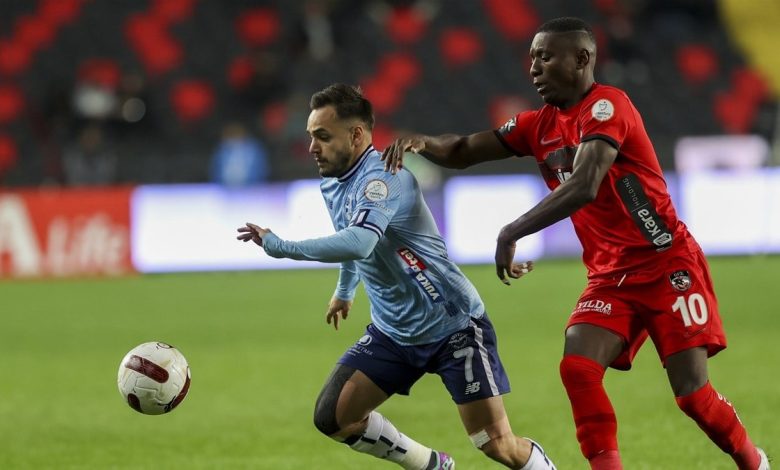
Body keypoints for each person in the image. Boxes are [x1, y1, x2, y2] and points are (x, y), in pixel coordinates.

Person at [380, 17, 769, 470]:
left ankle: (753, 462)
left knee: (692, 396)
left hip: (666, 263)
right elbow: (465, 149)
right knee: (578, 368)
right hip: (611, 277)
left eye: (545, 57)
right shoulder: (538, 125)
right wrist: (425, 142)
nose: (534, 68)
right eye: (532, 58)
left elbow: (585, 183)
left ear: (582, 58)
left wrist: (512, 231)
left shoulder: (608, 106)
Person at [237, 83, 556, 470]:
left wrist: (280, 246)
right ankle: (430, 465)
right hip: (394, 332)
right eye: (311, 136)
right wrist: (345, 289)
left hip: (452, 325)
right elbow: (350, 237)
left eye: (323, 136)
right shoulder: (333, 183)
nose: (312, 148)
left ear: (356, 135)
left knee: (496, 445)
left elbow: (359, 242)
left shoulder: (384, 178)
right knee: (333, 417)